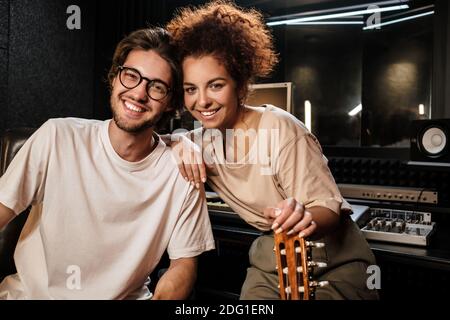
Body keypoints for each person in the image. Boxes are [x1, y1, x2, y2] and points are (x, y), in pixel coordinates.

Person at [166, 0, 379, 299]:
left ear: (240, 85)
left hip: (335, 260)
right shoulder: (200, 142)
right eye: (191, 89)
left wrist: (303, 216)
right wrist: (178, 140)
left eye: (215, 85)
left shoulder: (281, 129)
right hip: (271, 260)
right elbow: (150, 143)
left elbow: (328, 207)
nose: (202, 101)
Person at [0, 27, 215, 300]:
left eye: (157, 87)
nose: (139, 94)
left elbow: (183, 266)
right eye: (131, 76)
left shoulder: (184, 171)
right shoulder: (58, 137)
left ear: (171, 103)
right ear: (115, 78)